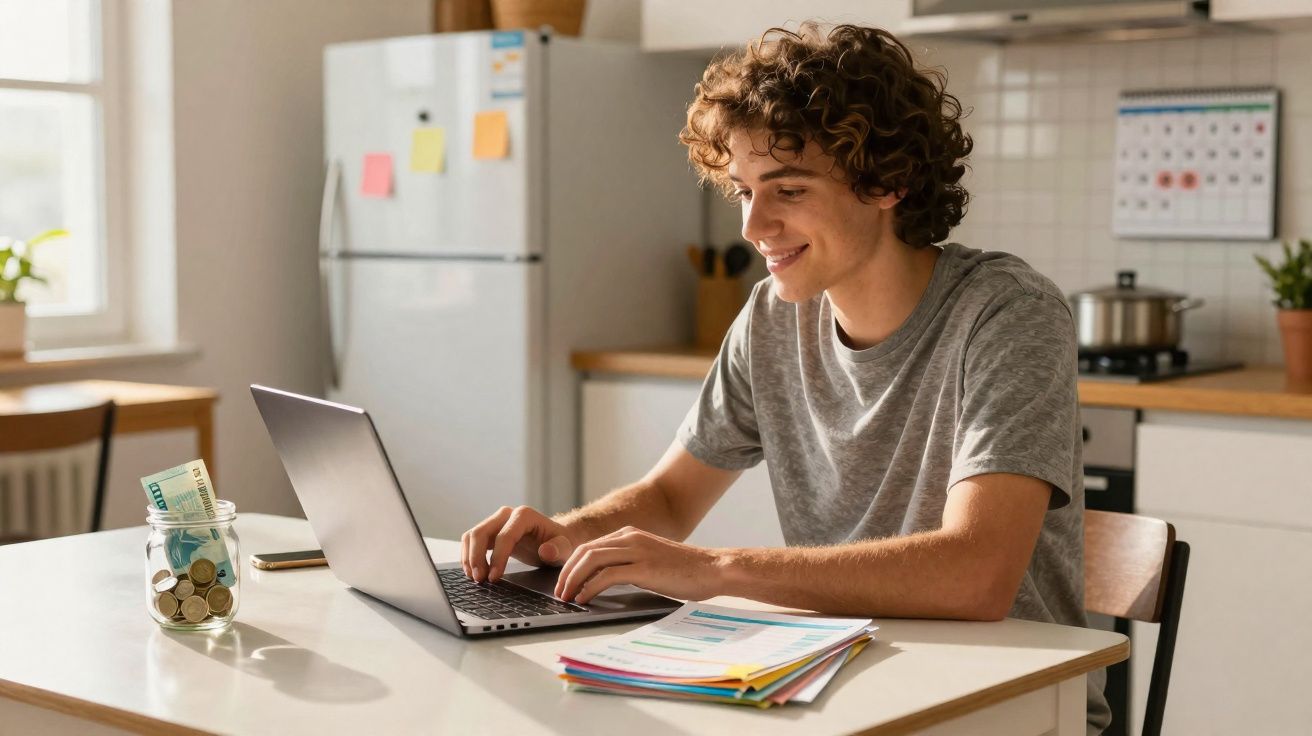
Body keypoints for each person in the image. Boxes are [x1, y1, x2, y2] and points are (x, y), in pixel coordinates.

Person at [460, 22, 1109, 734]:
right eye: (742, 190)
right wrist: (562, 539)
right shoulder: (774, 315)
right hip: (842, 682)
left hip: (1009, 705)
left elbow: (978, 573)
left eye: (788, 189)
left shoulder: (1006, 313)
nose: (753, 224)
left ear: (887, 180)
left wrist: (712, 569)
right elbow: (670, 498)